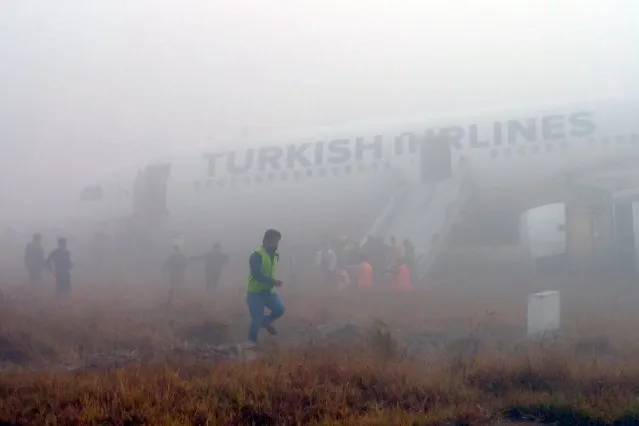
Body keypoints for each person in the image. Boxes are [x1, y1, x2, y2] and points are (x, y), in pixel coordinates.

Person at [247, 229, 285, 344]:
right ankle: (251, 344)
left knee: (279, 309)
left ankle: (266, 322)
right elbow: (256, 274)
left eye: (278, 241)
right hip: (255, 293)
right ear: (266, 241)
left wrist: (272, 283)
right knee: (256, 321)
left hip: (268, 292)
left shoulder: (275, 255)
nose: (277, 244)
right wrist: (273, 282)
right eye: (274, 241)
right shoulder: (256, 255)